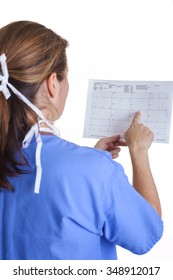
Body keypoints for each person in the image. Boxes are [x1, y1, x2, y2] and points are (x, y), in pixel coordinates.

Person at [0, 20, 163, 260]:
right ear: (52, 83)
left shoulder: (92, 168)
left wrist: (89, 164)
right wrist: (138, 151)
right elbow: (146, 234)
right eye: (65, 77)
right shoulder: (95, 171)